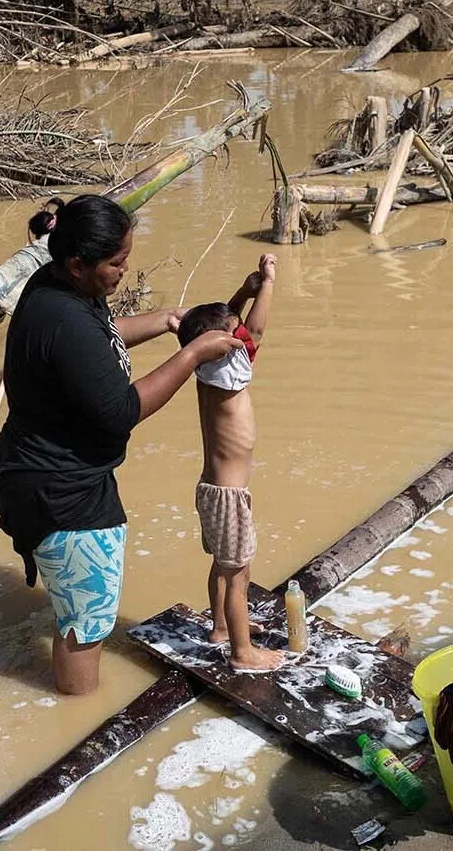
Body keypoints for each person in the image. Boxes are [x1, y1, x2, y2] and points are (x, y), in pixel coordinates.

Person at [0, 194, 241, 695]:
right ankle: (74, 714)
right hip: (61, 488)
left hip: (46, 470)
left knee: (79, 609)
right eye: (116, 263)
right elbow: (123, 411)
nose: (124, 271)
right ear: (79, 262)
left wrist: (167, 321)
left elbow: (100, 336)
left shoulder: (62, 287)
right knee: (88, 625)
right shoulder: (60, 318)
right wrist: (191, 354)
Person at [176, 254, 285, 672]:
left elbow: (228, 323)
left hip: (214, 489)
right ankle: (243, 653)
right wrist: (270, 283)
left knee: (224, 566)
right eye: (231, 333)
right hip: (228, 495)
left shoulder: (210, 366)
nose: (238, 334)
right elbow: (254, 329)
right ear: (223, 344)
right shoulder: (227, 365)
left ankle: (221, 627)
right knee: (238, 575)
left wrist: (243, 291)